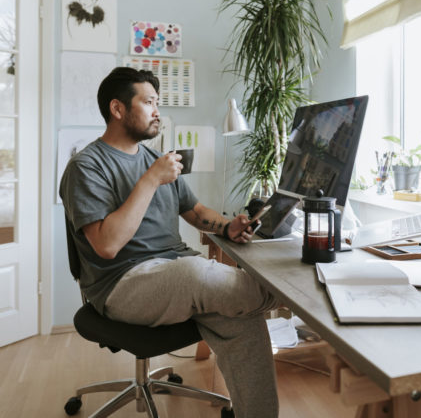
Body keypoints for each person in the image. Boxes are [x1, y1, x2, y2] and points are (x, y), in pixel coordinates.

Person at [60, 67, 279, 418]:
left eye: (158, 102)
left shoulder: (156, 161)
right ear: (118, 109)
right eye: (148, 102)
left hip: (176, 271)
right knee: (199, 273)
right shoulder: (87, 167)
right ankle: (289, 294)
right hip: (122, 285)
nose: (158, 111)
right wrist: (150, 180)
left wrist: (228, 227)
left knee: (242, 318)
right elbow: (106, 246)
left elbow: (194, 211)